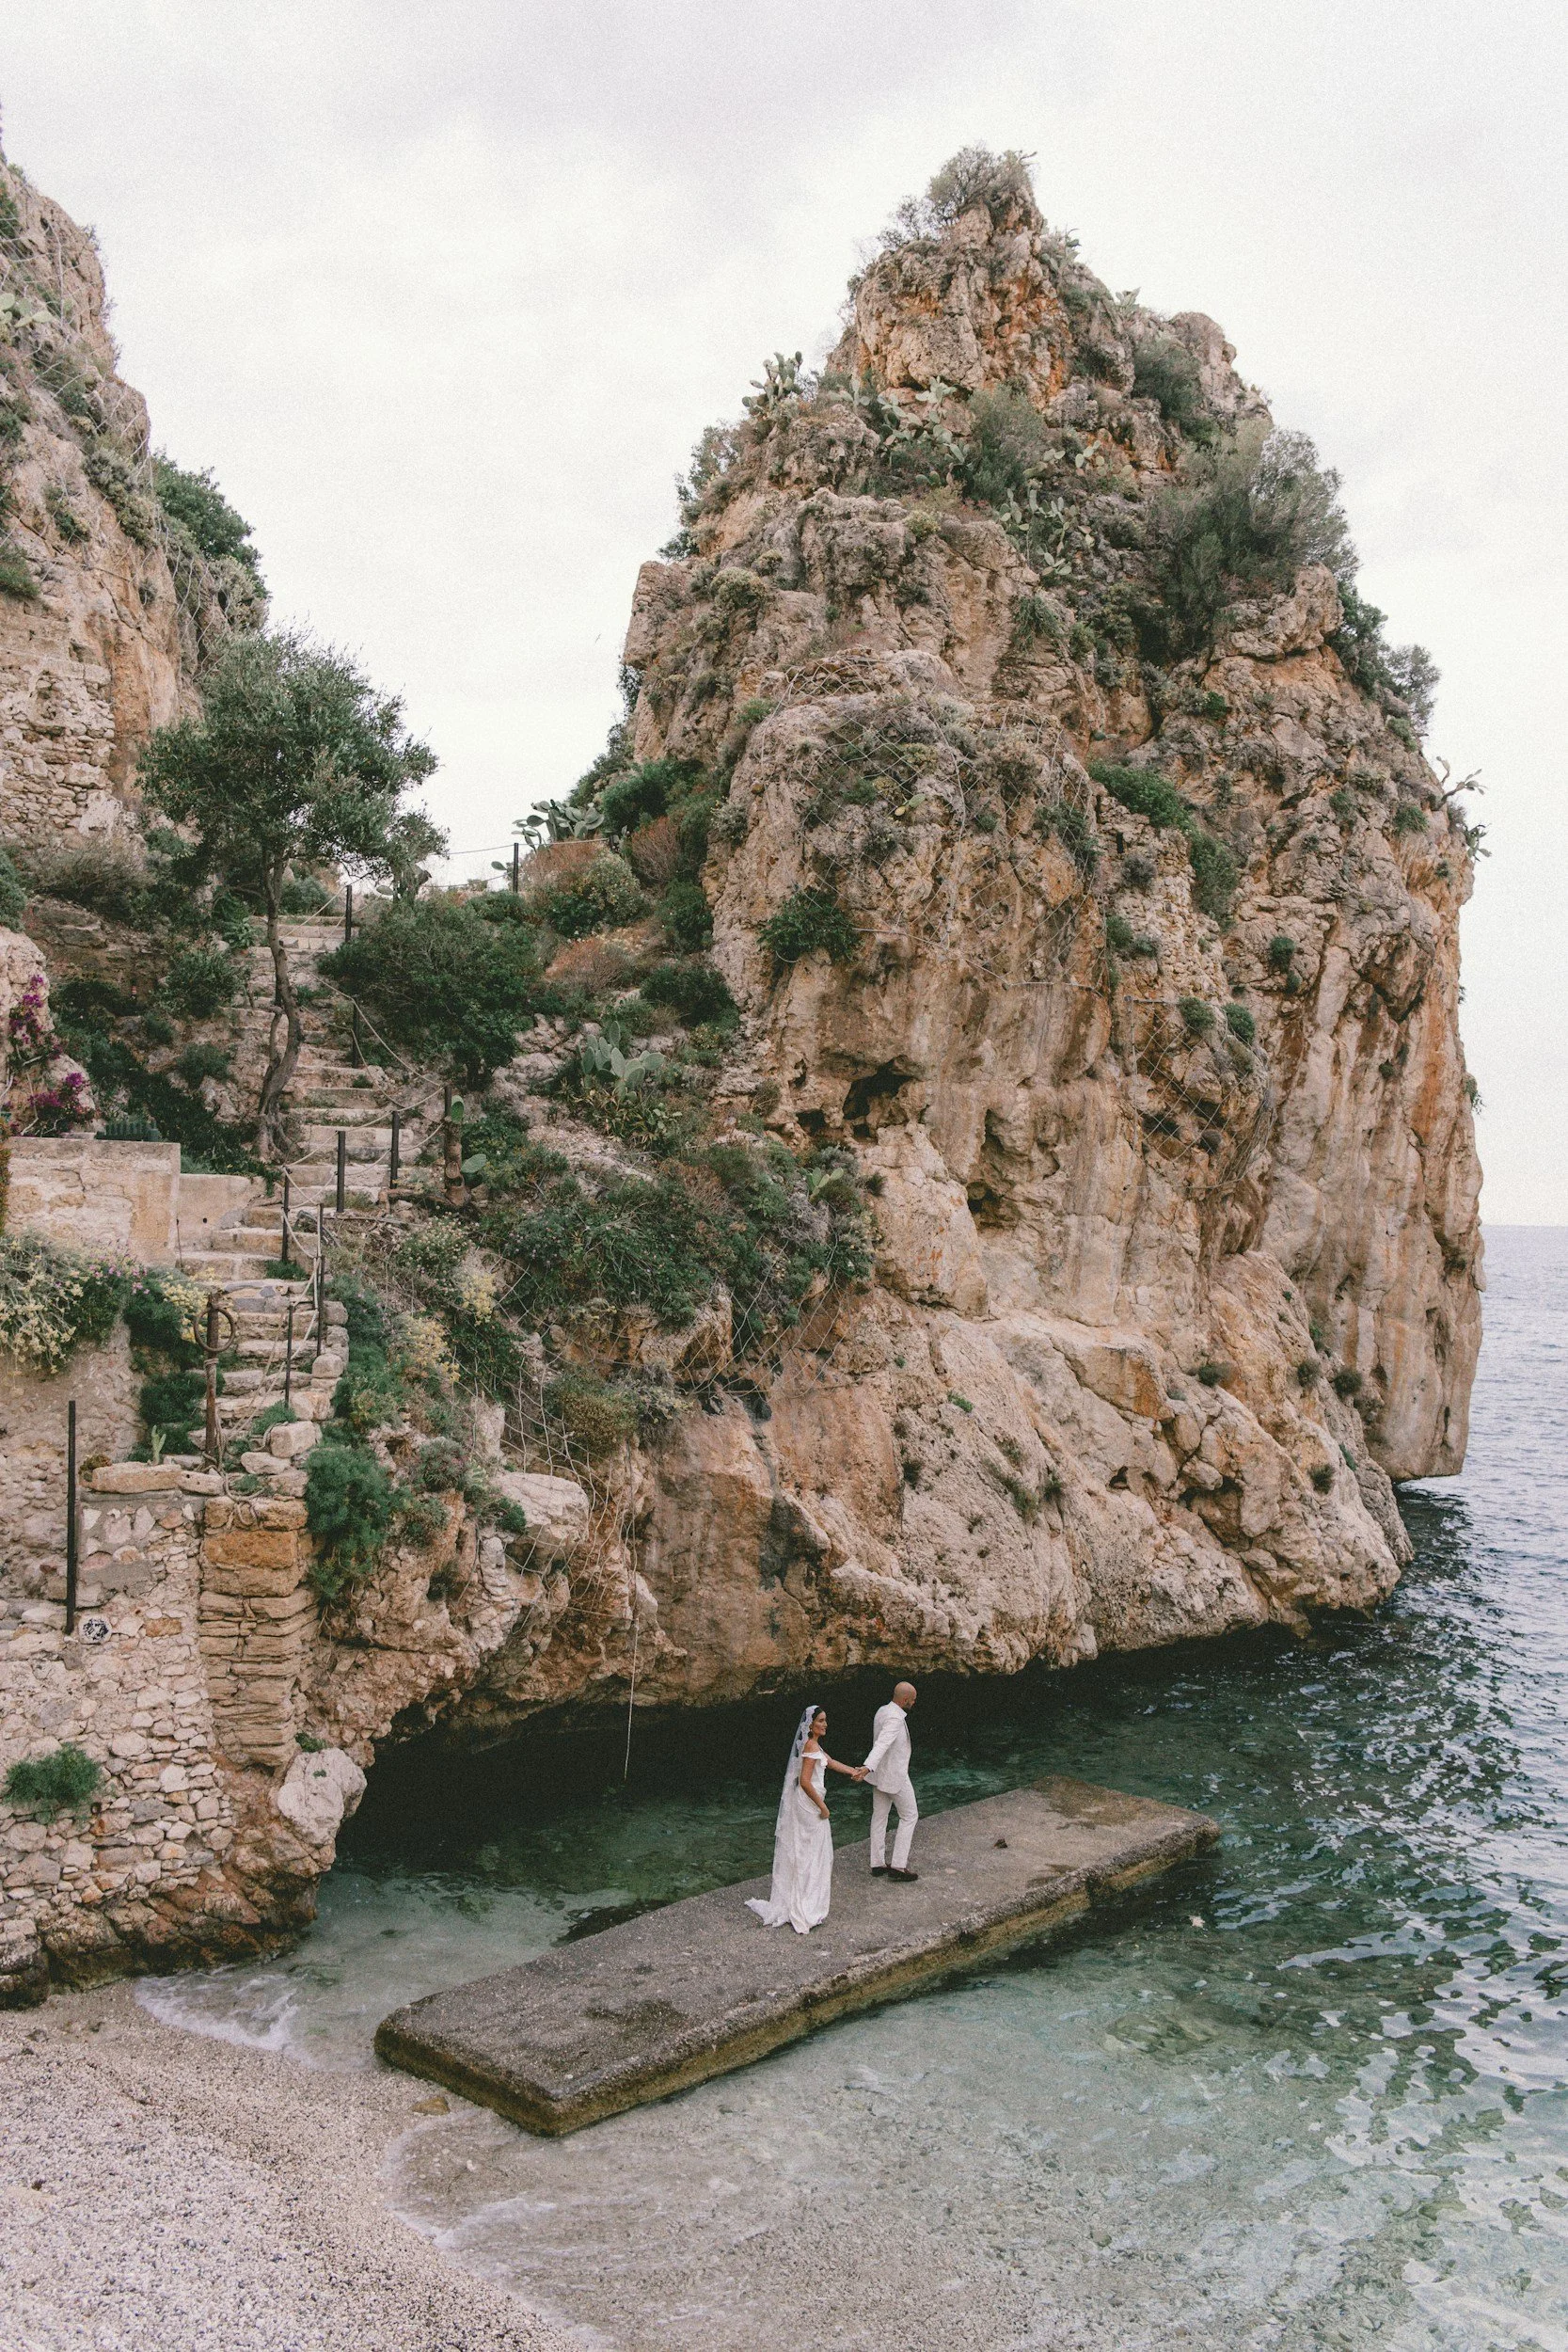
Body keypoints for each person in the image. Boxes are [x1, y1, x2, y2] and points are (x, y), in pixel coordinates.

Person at [746, 1704, 864, 1934]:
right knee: (811, 1853)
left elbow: (829, 1762)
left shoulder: (814, 1746)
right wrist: (823, 1806)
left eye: (825, 1720)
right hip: (809, 1805)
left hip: (809, 1803)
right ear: (810, 1725)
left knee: (814, 1852)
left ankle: (807, 1901)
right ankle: (804, 1906)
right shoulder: (810, 1746)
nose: (825, 1724)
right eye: (821, 1720)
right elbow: (805, 1781)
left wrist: (853, 1770)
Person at [863, 1680, 920, 1882]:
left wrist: (871, 1769)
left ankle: (877, 1864)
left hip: (879, 1775)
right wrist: (867, 1766)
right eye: (912, 1700)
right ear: (905, 1700)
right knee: (910, 1815)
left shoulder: (882, 1710)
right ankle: (898, 1865)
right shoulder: (895, 1718)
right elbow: (882, 1743)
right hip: (894, 1775)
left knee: (879, 1816)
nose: (913, 1703)